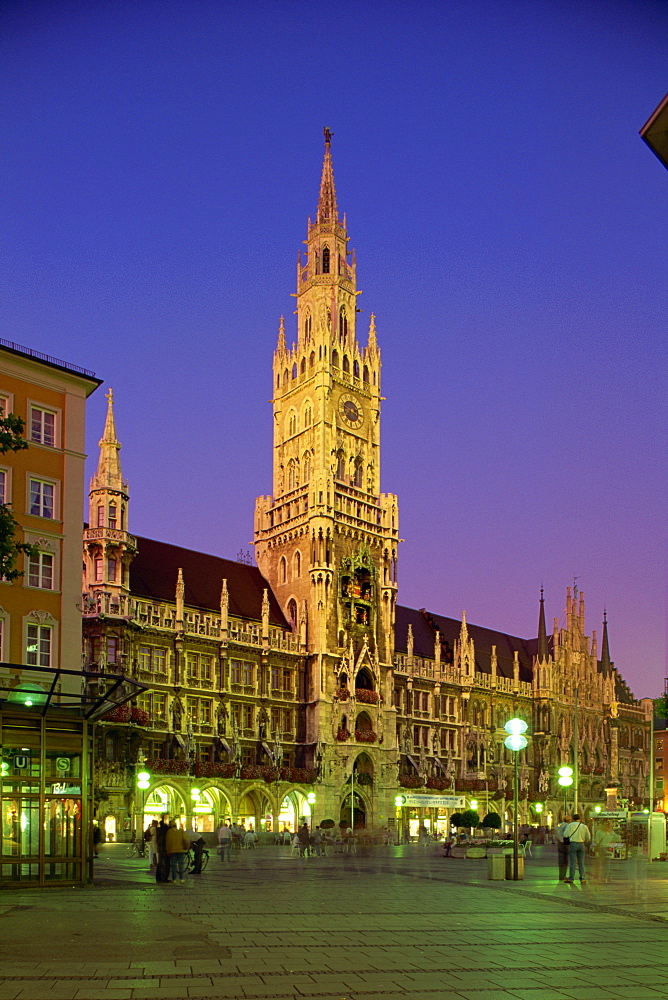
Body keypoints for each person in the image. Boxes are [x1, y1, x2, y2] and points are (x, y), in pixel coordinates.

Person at [562, 813, 591, 883]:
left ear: (572, 819)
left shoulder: (570, 825)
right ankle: (583, 878)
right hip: (581, 844)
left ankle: (571, 878)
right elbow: (588, 837)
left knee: (573, 862)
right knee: (581, 862)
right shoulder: (584, 826)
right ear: (580, 819)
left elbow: (565, 834)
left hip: (573, 844)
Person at [165, 820, 189, 885]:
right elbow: (185, 839)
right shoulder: (181, 831)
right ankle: (182, 879)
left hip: (172, 850)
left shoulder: (169, 832)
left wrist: (167, 850)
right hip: (181, 850)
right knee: (181, 865)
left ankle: (174, 879)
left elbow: (168, 842)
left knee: (173, 865)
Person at [155, 815, 170, 883]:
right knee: (166, 863)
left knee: (160, 863)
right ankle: (164, 878)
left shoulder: (158, 830)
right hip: (164, 849)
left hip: (160, 849)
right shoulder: (165, 831)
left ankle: (158, 877)